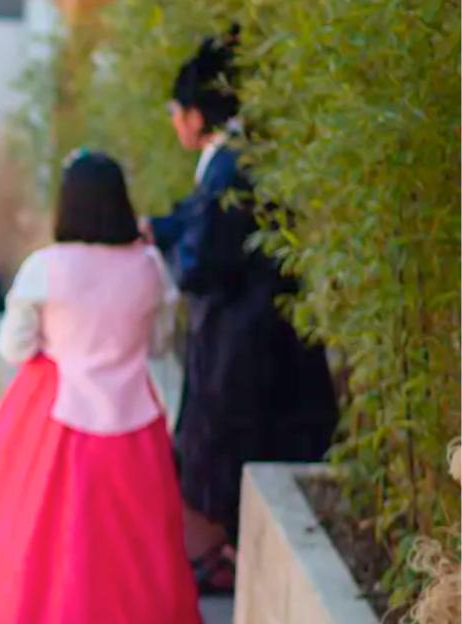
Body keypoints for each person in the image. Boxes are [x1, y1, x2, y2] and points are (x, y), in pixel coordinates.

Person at [0, 151, 203, 624]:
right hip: (134, 418)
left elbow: (13, 345)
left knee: (53, 544)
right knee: (132, 547)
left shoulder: (47, 267)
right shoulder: (150, 267)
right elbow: (157, 345)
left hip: (57, 415)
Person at [146, 30, 337, 593]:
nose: (174, 121)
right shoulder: (243, 157)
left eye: (175, 110)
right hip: (254, 331)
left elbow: (203, 259)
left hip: (243, 338)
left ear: (196, 113)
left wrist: (169, 248)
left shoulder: (232, 167)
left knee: (232, 444)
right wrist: (161, 229)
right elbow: (193, 220)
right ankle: (224, 553)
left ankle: (224, 558)